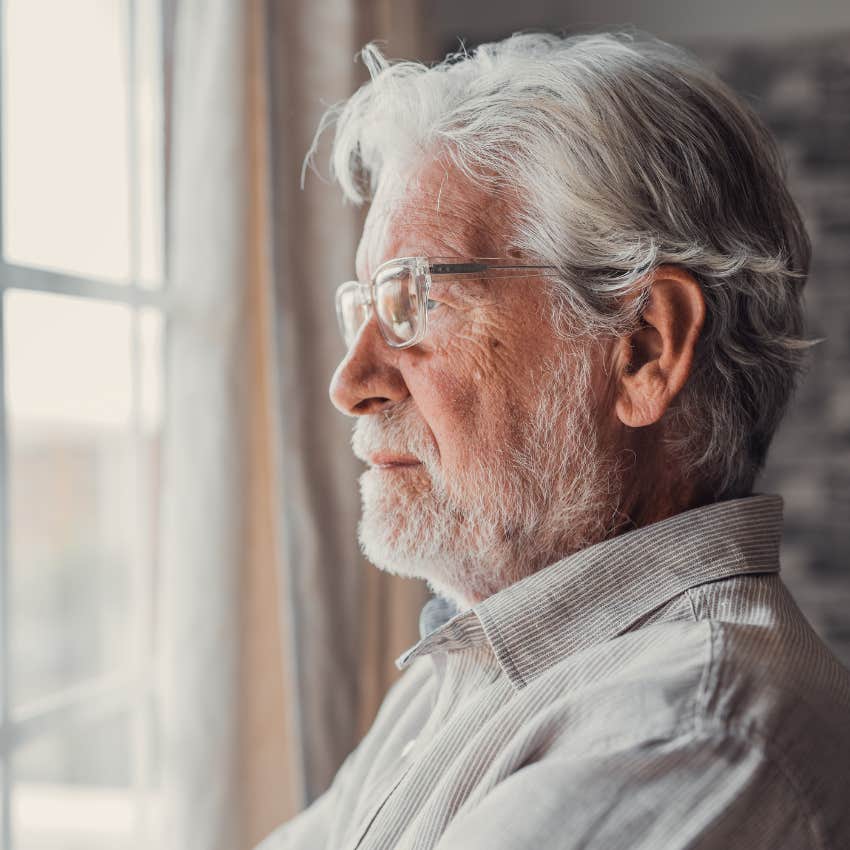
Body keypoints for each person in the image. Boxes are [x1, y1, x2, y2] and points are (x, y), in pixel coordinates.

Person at [258, 31, 850, 850]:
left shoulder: (684, 733)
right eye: (364, 307)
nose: (351, 382)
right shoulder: (473, 661)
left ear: (643, 348)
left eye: (414, 302)